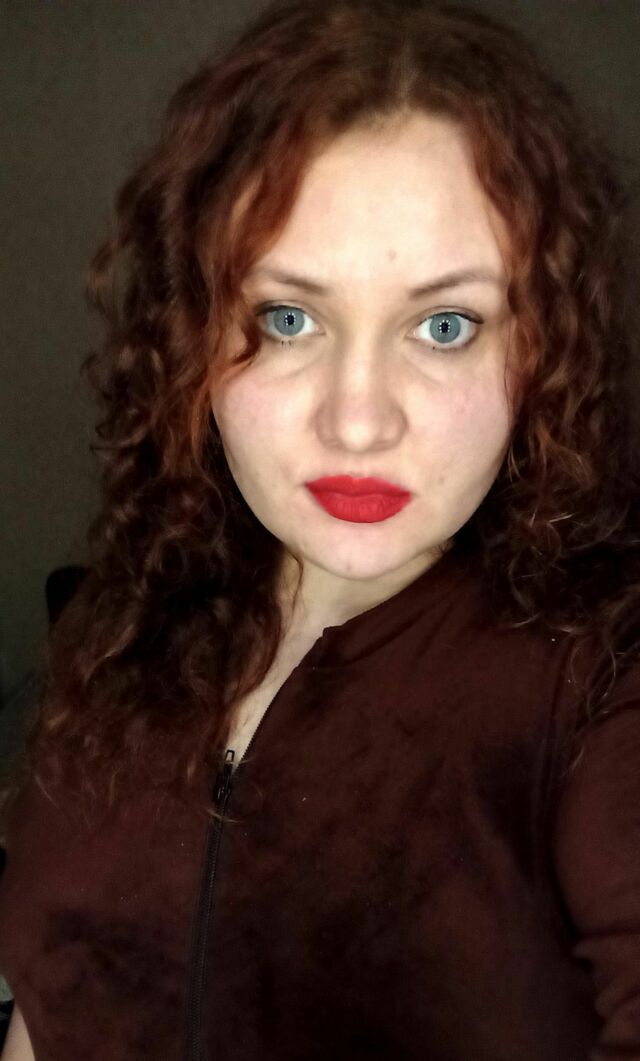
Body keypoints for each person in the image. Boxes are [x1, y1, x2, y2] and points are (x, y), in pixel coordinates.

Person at [1, 0, 640, 1057]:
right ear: (194, 333)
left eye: (445, 326)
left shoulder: (602, 671)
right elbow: (49, 994)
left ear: (540, 350)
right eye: (287, 318)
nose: (357, 418)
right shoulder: (118, 621)